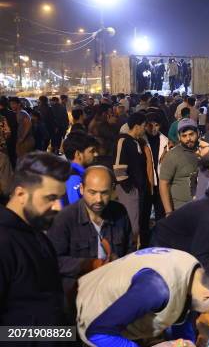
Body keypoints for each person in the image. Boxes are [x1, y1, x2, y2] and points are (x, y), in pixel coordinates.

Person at [76, 249, 209, 347]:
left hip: (111, 313)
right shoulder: (157, 289)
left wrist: (183, 342)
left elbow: (182, 311)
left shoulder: (195, 273)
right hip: (80, 318)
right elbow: (97, 333)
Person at [47, 166, 134, 322]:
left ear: (113, 190)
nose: (98, 199)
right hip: (76, 298)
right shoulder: (65, 219)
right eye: (92, 193)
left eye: (104, 193)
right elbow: (53, 261)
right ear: (81, 189)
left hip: (113, 294)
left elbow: (130, 251)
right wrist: (91, 264)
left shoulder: (120, 212)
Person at [0, 152, 72, 328]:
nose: (59, 207)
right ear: (21, 194)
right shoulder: (4, 243)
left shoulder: (38, 235)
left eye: (60, 198)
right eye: (50, 198)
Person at [114, 112, 149, 246]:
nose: (145, 128)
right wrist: (130, 188)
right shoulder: (123, 141)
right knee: (131, 225)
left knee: (136, 223)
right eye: (144, 125)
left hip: (137, 189)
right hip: (128, 190)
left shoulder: (136, 142)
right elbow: (118, 168)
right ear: (136, 126)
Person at [159, 119, 199, 215]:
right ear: (178, 137)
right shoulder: (172, 156)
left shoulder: (204, 150)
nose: (188, 138)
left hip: (202, 206)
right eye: (184, 136)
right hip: (181, 209)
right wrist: (168, 212)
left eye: (191, 134)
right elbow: (163, 184)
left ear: (197, 133)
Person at [145, 112, 171, 222]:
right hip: (147, 182)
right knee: (145, 214)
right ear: (145, 125)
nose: (153, 128)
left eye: (156, 125)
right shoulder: (140, 141)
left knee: (160, 213)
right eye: (150, 125)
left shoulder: (166, 141)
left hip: (161, 182)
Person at [62, 131, 98, 206]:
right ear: (78, 154)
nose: (96, 154)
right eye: (92, 151)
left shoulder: (71, 172)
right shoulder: (75, 178)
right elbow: (76, 211)